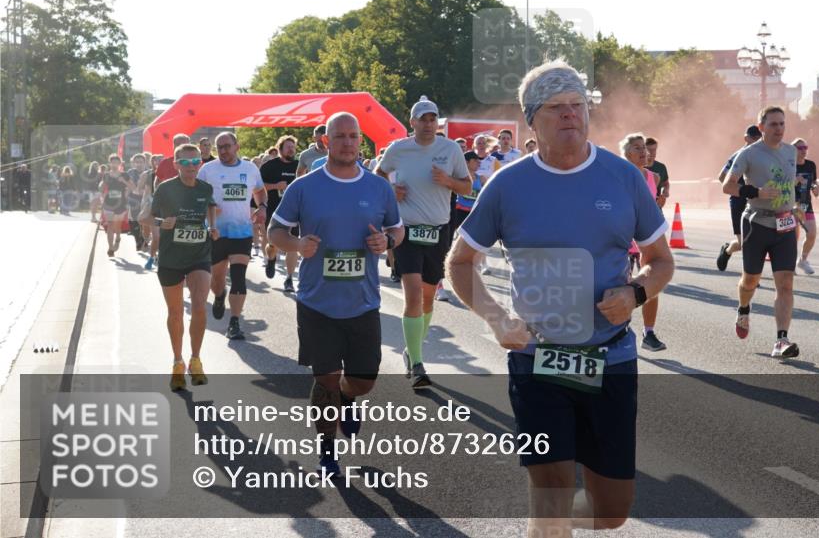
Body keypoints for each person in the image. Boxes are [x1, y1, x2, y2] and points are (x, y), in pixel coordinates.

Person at [447, 60, 673, 535]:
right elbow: (459, 262)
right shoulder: (508, 184)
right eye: (556, 108)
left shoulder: (623, 177)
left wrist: (635, 293)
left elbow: (661, 259)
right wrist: (496, 318)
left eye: (578, 106)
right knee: (551, 497)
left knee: (611, 513)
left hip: (609, 358)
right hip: (538, 359)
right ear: (533, 120)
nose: (571, 115)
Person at [269, 112, 403, 479]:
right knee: (325, 378)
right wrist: (296, 244)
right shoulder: (305, 187)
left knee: (363, 381)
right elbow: (274, 231)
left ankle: (348, 397)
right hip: (317, 302)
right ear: (326, 141)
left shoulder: (378, 188)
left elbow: (397, 229)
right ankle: (327, 452)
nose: (347, 142)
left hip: (363, 303)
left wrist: (386, 241)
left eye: (353, 137)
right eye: (340, 136)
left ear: (361, 141)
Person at [375, 96, 471, 389]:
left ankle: (411, 349)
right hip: (406, 231)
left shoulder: (450, 149)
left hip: (438, 231)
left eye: (433, 119)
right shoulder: (398, 149)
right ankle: (417, 363)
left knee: (428, 298)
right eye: (423, 119)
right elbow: (377, 176)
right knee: (414, 295)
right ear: (412, 123)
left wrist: (449, 182)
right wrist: (391, 189)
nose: (429, 124)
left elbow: (467, 187)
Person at [721, 106, 801, 358]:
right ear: (761, 127)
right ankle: (744, 308)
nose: (779, 129)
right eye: (774, 124)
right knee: (751, 280)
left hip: (785, 224)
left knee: (785, 283)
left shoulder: (791, 151)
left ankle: (781, 340)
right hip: (756, 223)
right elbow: (727, 186)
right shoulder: (748, 154)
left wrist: (795, 205)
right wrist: (755, 192)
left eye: (782, 124)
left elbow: (787, 183)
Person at [151, 144, 218, 391]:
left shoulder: (205, 188)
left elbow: (211, 205)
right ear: (176, 164)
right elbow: (144, 216)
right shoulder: (165, 188)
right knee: (176, 312)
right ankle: (177, 361)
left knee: (200, 305)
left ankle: (196, 359)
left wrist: (212, 226)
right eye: (186, 163)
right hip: (170, 258)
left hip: (199, 254)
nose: (191, 167)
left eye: (196, 162)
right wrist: (161, 222)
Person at [198, 132, 267, 340]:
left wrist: (262, 207)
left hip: (242, 232)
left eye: (227, 146)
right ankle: (220, 296)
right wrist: (207, 208)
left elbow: (260, 191)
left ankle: (234, 322)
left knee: (238, 277)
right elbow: (196, 195)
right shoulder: (207, 170)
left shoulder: (250, 168)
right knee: (217, 280)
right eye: (219, 147)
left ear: (237, 146)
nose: (223, 151)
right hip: (216, 232)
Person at [621, 133, 667, 352]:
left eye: (644, 149)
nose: (644, 153)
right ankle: (619, 331)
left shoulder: (653, 177)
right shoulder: (618, 175)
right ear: (627, 153)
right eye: (637, 148)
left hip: (646, 242)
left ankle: (649, 333)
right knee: (620, 289)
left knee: (651, 286)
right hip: (622, 242)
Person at [716, 125, 763, 271]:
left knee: (754, 240)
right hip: (738, 199)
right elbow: (721, 177)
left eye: (758, 138)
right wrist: (739, 187)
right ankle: (728, 250)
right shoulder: (738, 155)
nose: (756, 141)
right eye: (753, 138)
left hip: (756, 200)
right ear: (746, 138)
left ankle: (750, 274)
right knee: (743, 242)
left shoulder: (764, 155)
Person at [260, 135, 300, 292]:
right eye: (288, 146)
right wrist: (275, 186)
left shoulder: (299, 166)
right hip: (275, 210)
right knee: (273, 243)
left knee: (293, 244)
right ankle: (271, 258)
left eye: (293, 147)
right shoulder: (269, 166)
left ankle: (289, 278)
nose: (291, 149)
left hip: (296, 212)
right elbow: (258, 187)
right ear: (280, 149)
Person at [791, 138, 819, 275]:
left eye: (805, 147)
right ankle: (789, 264)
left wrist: (815, 187)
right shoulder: (788, 165)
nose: (804, 150)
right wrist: (795, 181)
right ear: (793, 150)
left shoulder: (811, 165)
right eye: (800, 148)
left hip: (805, 204)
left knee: (812, 234)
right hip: (789, 205)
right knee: (792, 237)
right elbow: (781, 184)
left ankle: (802, 260)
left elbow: (814, 182)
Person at [101, 155, 134, 257]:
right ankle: (110, 248)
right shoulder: (106, 175)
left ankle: (118, 237)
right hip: (109, 203)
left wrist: (123, 181)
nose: (114, 164)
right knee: (110, 225)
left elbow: (133, 187)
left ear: (120, 164)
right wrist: (102, 199)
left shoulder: (125, 175)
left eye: (116, 162)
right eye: (112, 162)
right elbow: (103, 188)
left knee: (117, 226)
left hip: (121, 203)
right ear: (110, 163)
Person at [644, 137, 669, 206]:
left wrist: (666, 190)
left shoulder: (661, 167)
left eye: (654, 150)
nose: (652, 153)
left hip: (657, 208)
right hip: (642, 209)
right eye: (649, 150)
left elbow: (666, 183)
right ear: (644, 151)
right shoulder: (638, 168)